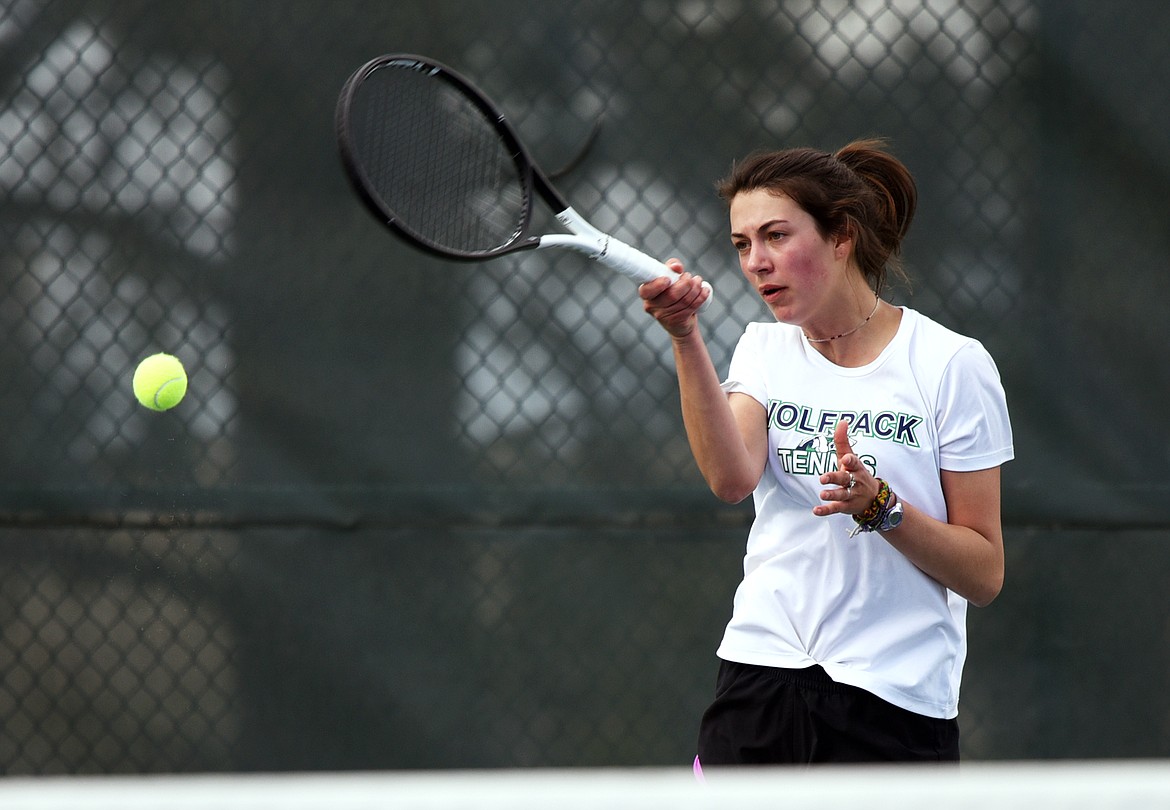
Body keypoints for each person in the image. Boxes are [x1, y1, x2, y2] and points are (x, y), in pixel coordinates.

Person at [639, 139, 1013, 765]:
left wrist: (881, 508)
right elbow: (731, 479)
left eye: (776, 236)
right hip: (761, 674)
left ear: (841, 234)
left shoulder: (951, 365)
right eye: (742, 245)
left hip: (895, 701)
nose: (757, 262)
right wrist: (684, 338)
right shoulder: (763, 350)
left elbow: (984, 574)